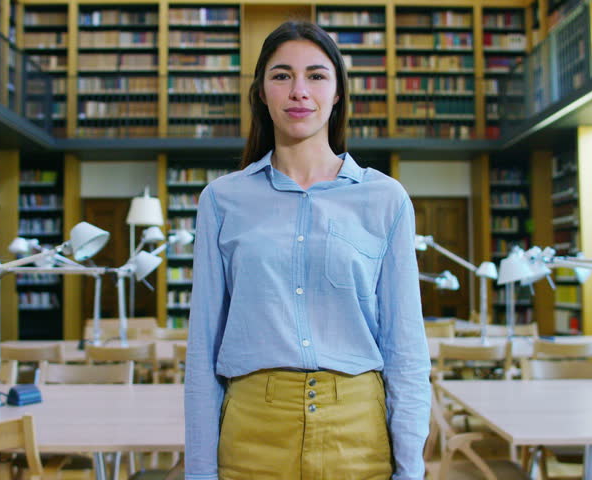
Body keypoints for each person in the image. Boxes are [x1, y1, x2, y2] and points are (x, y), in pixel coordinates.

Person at [184, 20, 431, 480]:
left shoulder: (386, 199)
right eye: (282, 75)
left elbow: (406, 350)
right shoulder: (221, 200)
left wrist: (410, 469)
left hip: (357, 430)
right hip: (251, 431)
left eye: (316, 76)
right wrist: (200, 471)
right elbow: (202, 349)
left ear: (337, 93)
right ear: (261, 92)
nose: (299, 91)